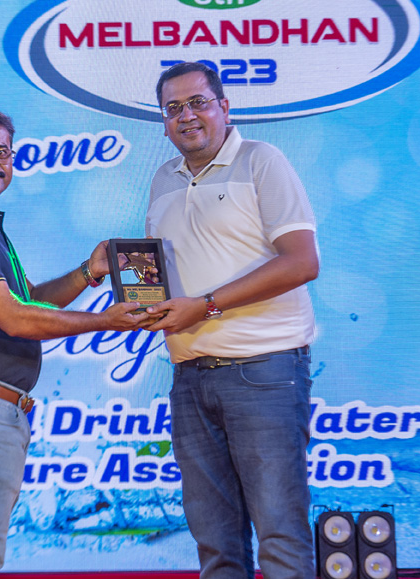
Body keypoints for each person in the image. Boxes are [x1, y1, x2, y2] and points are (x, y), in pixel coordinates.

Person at [0, 105, 149, 579]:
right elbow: (15, 318)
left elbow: (28, 301)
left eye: (2, 152)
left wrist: (89, 272)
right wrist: (103, 321)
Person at [143, 62, 319, 579]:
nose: (186, 115)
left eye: (198, 102)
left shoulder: (262, 160)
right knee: (215, 544)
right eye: (173, 108)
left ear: (224, 106)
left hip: (264, 371)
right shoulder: (162, 179)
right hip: (190, 377)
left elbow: (301, 261)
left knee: (280, 534)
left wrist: (206, 305)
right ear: (164, 122)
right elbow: (163, 272)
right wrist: (139, 296)